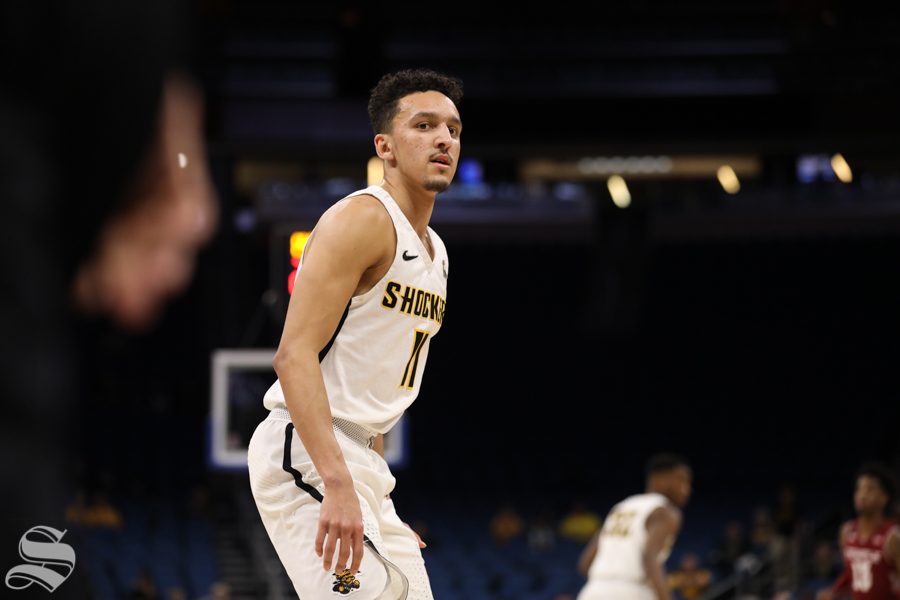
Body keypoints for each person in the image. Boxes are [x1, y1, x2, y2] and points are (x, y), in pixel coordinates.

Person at [247, 68, 463, 599]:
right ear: (384, 146)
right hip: (305, 449)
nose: (444, 139)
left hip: (361, 462)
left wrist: (374, 499)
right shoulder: (363, 219)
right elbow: (293, 355)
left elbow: (377, 381)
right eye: (425, 125)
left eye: (454, 130)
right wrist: (339, 486)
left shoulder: (436, 251)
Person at [576, 454, 693, 600]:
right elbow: (649, 559)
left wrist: (607, 582)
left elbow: (585, 563)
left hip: (593, 590)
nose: (687, 489)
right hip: (632, 590)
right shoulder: (666, 511)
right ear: (659, 479)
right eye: (682, 480)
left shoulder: (621, 507)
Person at [817, 462, 900, 600]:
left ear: (884, 498)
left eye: (869, 489)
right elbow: (850, 575)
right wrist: (833, 592)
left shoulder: (892, 537)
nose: (862, 494)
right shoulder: (847, 532)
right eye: (859, 489)